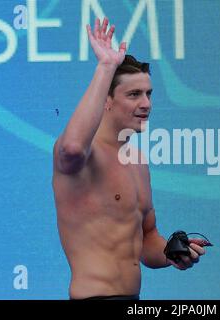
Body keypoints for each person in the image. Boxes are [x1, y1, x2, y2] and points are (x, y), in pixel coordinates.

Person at [52, 17, 206, 300]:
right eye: (134, 94)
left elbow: (148, 239)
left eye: (148, 94)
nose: (146, 104)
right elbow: (72, 148)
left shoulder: (137, 161)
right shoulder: (83, 158)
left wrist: (174, 253)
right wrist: (106, 67)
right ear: (106, 100)